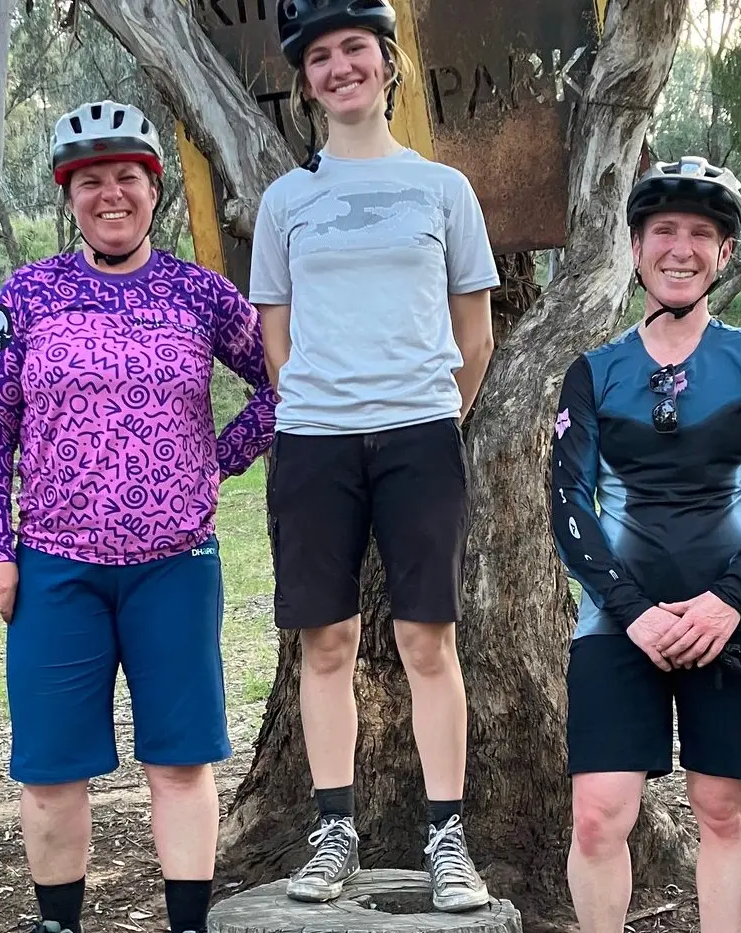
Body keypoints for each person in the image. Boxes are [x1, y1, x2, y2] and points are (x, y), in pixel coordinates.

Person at [0, 99, 276, 933]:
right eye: (90, 180)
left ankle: (187, 923)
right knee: (50, 769)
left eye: (127, 178)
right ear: (70, 194)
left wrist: (223, 454)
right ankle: (59, 922)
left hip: (175, 563)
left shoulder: (199, 293)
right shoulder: (29, 294)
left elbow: (284, 380)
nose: (111, 194)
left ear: (153, 188)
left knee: (179, 761)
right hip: (54, 565)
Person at [248, 0, 498, 912]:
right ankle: (331, 833)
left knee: (428, 638)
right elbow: (274, 333)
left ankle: (447, 839)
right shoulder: (286, 201)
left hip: (422, 437)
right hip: (314, 441)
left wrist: (432, 413)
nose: (339, 67)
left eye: (355, 48)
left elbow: (475, 332)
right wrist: (322, 404)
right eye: (319, 56)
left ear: (388, 63)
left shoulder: (443, 190)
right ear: (305, 80)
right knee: (328, 638)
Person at [550, 156, 741, 933]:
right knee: (598, 814)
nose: (681, 248)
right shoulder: (594, 372)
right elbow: (568, 501)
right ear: (635, 247)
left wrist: (729, 599)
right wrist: (630, 610)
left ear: (724, 253)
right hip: (618, 621)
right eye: (664, 230)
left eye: (702, 233)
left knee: (722, 808)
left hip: (737, 618)